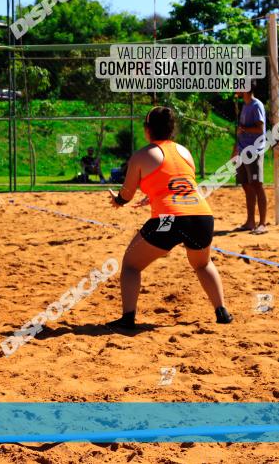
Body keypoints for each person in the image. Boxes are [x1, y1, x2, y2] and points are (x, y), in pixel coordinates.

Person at [107, 106, 233, 329]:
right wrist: (152, 196)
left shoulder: (142, 155)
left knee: (130, 265)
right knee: (203, 264)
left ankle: (127, 319)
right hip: (201, 216)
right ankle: (221, 311)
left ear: (148, 130)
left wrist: (118, 201)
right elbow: (179, 184)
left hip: (170, 219)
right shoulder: (185, 152)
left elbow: (127, 194)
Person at [234, 82, 268, 235]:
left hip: (254, 152)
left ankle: (262, 224)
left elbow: (260, 129)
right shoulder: (245, 105)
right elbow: (241, 130)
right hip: (242, 151)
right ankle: (250, 222)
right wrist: (235, 150)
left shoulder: (256, 105)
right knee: (247, 187)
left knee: (257, 186)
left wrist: (244, 129)